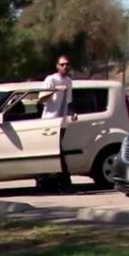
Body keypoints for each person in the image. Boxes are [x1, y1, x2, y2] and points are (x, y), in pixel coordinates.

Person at [37, 54, 78, 192]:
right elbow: (41, 99)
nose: (65, 67)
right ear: (57, 66)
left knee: (57, 152)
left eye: (67, 64)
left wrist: (72, 112)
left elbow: (68, 101)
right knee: (55, 152)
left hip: (62, 122)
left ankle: (52, 182)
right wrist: (55, 90)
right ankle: (62, 183)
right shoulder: (51, 79)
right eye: (62, 64)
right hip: (49, 120)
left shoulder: (69, 81)